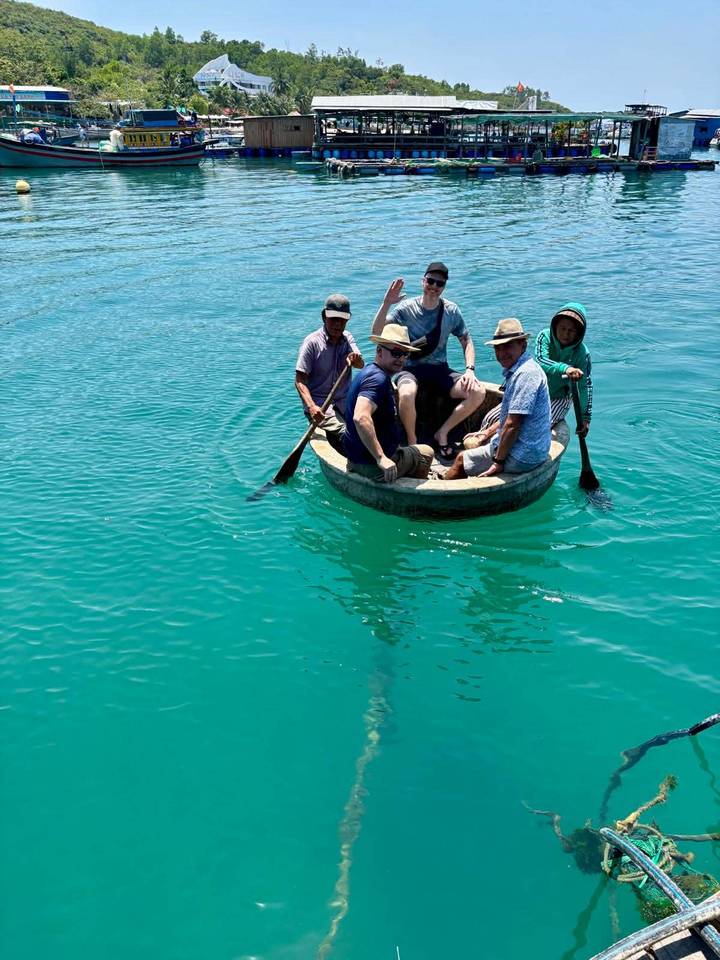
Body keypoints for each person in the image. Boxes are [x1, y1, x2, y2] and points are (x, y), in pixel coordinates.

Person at [371, 261, 484, 458]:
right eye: (430, 281)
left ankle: (443, 432)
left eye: (439, 283)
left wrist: (470, 370)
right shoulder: (406, 309)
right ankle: (414, 444)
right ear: (423, 281)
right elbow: (376, 332)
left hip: (440, 369)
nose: (434, 286)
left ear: (444, 287)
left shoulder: (451, 310)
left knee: (478, 392)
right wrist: (387, 303)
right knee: (406, 394)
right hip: (410, 369)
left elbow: (466, 340)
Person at [444, 318, 550, 480]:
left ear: (523, 344)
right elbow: (511, 417)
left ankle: (444, 497)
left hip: (523, 456)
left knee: (460, 460)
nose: (501, 354)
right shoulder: (522, 368)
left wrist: (498, 461)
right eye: (497, 348)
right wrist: (486, 433)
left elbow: (513, 424)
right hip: (533, 449)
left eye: (507, 346)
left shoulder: (525, 375)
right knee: (480, 445)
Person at [344, 324, 434, 484]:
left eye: (405, 354)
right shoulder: (377, 380)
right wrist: (381, 458)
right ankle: (412, 490)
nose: (400, 359)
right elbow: (360, 417)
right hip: (372, 467)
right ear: (379, 351)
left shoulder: (368, 373)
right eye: (396, 353)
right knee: (426, 452)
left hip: (357, 459)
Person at [295, 294, 364, 454]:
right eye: (333, 319)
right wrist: (312, 407)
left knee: (369, 422)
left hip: (345, 400)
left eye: (342, 320)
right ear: (324, 317)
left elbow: (360, 365)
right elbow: (299, 380)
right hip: (321, 406)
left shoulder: (348, 338)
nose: (338, 324)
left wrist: (355, 359)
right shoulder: (312, 343)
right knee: (345, 433)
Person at [534, 302, 593, 437]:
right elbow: (541, 360)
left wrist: (585, 418)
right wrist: (566, 368)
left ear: (579, 333)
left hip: (559, 397)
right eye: (563, 328)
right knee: (494, 418)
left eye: (571, 331)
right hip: (536, 390)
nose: (566, 334)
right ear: (555, 327)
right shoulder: (545, 336)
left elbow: (585, 386)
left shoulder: (582, 353)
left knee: (538, 427)